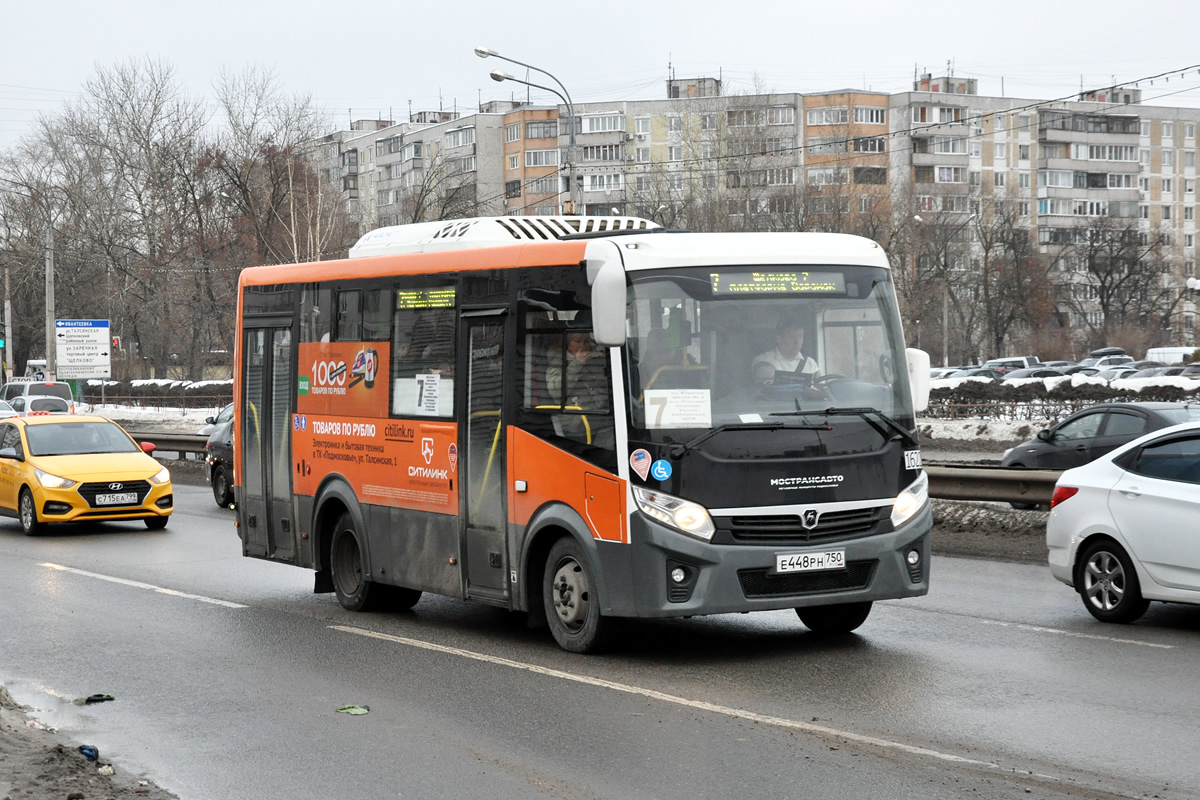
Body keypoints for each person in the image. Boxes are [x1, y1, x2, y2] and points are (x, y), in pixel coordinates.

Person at [546, 331, 607, 409]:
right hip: (575, 416)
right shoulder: (558, 361)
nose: (583, 346)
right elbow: (556, 391)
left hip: (600, 410)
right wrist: (577, 363)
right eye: (578, 341)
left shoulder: (598, 360)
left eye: (586, 341)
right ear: (568, 344)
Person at [752, 319, 818, 384]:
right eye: (792, 337)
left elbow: (821, 387)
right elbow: (770, 385)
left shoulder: (810, 363)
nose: (797, 342)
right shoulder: (764, 361)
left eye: (800, 337)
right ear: (779, 339)